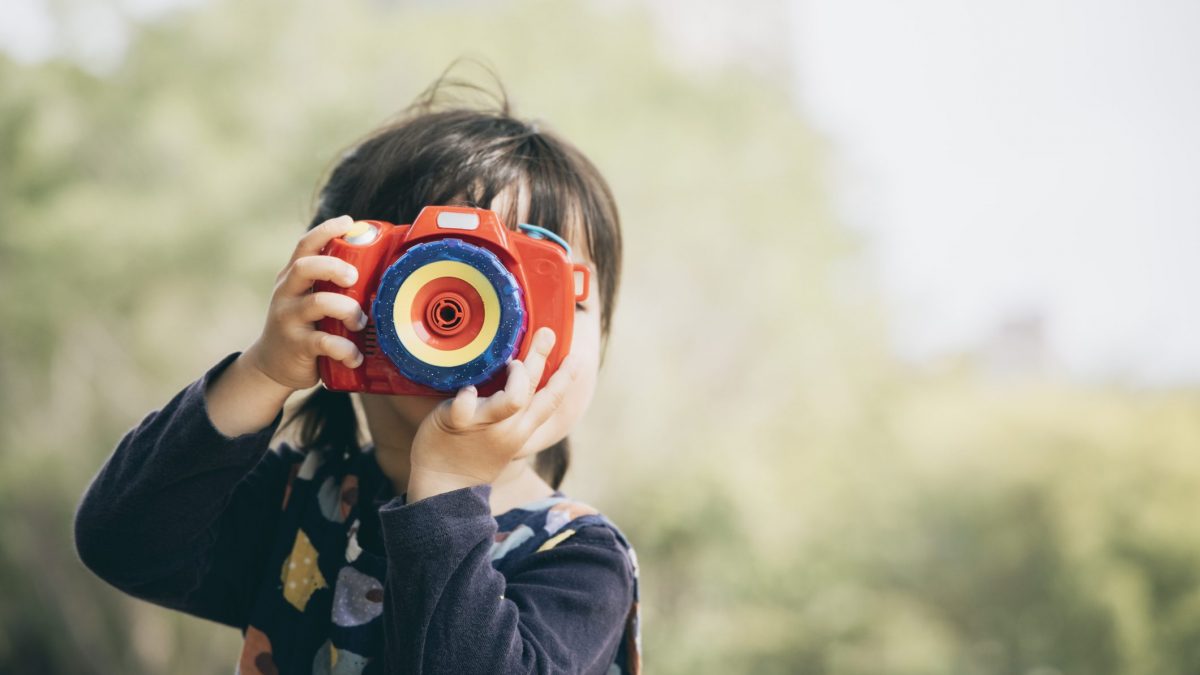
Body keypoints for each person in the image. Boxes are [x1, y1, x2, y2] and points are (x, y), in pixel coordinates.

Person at [73, 72, 641, 675]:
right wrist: (263, 372)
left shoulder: (576, 560)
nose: (499, 326)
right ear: (341, 300)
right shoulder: (298, 505)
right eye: (448, 283)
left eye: (551, 289)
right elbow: (123, 541)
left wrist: (447, 489)